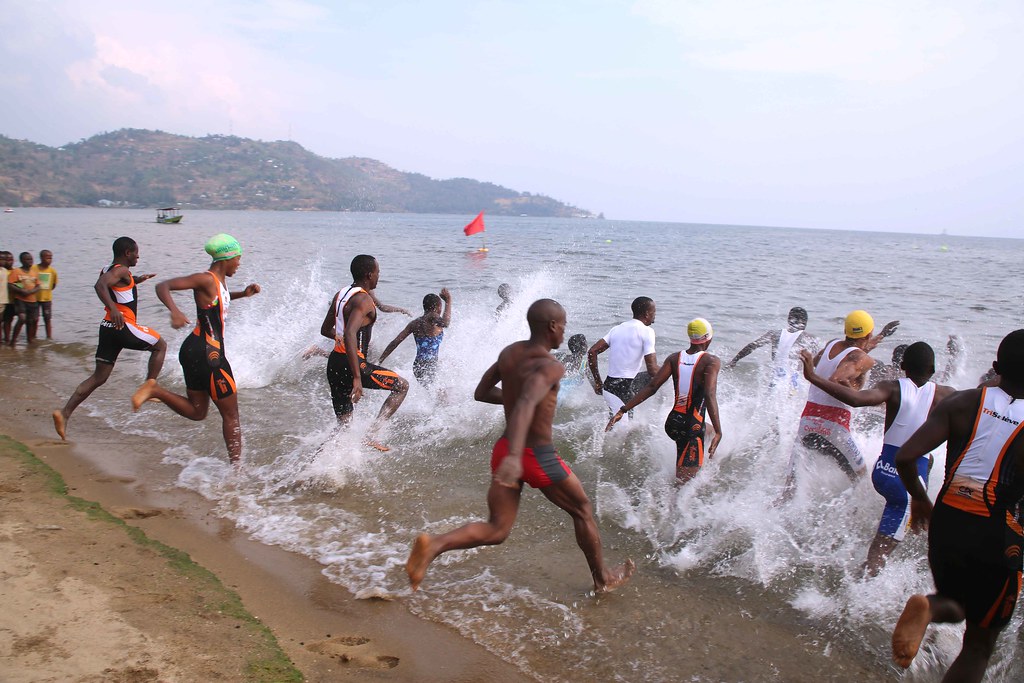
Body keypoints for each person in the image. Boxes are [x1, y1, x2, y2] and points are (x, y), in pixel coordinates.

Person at [405, 299, 635, 593]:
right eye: (563, 326)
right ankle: (602, 579)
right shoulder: (550, 366)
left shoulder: (510, 353)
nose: (564, 333)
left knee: (497, 529)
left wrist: (512, 428)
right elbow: (527, 400)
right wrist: (517, 453)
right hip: (532, 455)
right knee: (582, 510)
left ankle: (433, 545)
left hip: (504, 448)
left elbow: (482, 392)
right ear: (552, 326)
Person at [890, 329, 1024, 682]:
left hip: (947, 519)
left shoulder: (963, 402)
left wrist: (919, 500)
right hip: (998, 533)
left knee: (956, 601)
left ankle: (930, 607)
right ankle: (931, 608)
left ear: (996, 368)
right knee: (979, 644)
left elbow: (906, 456)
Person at [798, 342, 955, 575]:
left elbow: (855, 399)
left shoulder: (891, 388)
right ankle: (859, 595)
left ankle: (848, 544)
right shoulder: (946, 394)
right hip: (907, 484)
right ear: (933, 369)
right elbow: (978, 402)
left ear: (902, 366)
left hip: (882, 471)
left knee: (902, 518)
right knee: (878, 559)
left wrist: (812, 376)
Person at [130, 234, 260, 465]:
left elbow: (219, 302)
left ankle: (155, 390)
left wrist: (244, 294)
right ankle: (237, 473)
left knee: (198, 411)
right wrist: (175, 311)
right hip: (209, 354)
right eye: (237, 259)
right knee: (231, 415)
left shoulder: (218, 282)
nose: (239, 264)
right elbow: (164, 286)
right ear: (226, 258)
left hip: (194, 350)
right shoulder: (206, 279)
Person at [52, 237, 166, 440]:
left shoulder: (110, 268)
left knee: (99, 377)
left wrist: (137, 280)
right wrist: (114, 309)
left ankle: (64, 413)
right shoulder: (121, 270)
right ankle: (150, 386)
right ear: (127, 253)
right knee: (160, 346)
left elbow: (115, 285)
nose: (139, 256)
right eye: (136, 252)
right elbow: (100, 286)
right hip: (123, 325)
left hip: (107, 328)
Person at [785, 310, 899, 487]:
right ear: (869, 333)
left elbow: (817, 363)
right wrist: (857, 394)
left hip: (807, 421)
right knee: (861, 479)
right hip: (834, 426)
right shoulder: (864, 359)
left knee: (790, 488)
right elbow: (837, 378)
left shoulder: (832, 344)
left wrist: (882, 335)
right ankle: (851, 513)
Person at [607, 318, 723, 483]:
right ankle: (665, 504)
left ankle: (696, 462)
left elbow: (652, 387)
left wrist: (623, 410)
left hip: (673, 423)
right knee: (685, 484)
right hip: (691, 428)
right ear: (708, 338)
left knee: (707, 432)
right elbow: (709, 394)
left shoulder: (674, 358)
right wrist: (719, 430)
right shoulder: (711, 361)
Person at [320, 254, 409, 450]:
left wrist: (342, 344)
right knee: (401, 386)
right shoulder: (364, 300)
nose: (379, 276)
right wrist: (357, 378)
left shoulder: (341, 294)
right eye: (378, 272)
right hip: (353, 364)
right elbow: (351, 333)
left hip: (334, 363)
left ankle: (311, 469)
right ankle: (372, 433)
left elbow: (326, 330)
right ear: (369, 275)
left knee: (344, 429)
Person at [588, 296, 658, 418]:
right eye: (654, 311)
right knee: (623, 431)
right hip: (623, 388)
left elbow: (592, 352)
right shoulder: (647, 331)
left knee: (617, 425)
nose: (655, 314)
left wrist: (598, 382)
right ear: (647, 314)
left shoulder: (617, 329)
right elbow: (652, 370)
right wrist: (673, 370)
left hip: (610, 385)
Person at [727, 307, 816, 392]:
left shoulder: (775, 334)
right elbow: (819, 359)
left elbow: (752, 346)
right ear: (805, 322)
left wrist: (734, 360)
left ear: (789, 319)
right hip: (795, 381)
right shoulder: (808, 337)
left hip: (777, 380)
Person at [378, 288, 452, 386]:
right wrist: (448, 301)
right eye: (441, 307)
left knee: (430, 393)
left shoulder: (414, 323)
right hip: (430, 365)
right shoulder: (433, 316)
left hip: (418, 366)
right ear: (438, 307)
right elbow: (446, 323)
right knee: (437, 393)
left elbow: (395, 342)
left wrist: (380, 361)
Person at [7, 251, 40, 347]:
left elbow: (38, 286)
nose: (30, 261)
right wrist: (21, 291)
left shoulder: (34, 273)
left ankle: (30, 341)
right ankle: (13, 341)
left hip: (32, 300)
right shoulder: (17, 271)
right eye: (27, 259)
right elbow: (10, 284)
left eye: (31, 259)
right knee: (22, 318)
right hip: (20, 299)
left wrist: (32, 291)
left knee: (31, 321)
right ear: (22, 260)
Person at [35, 249, 58, 339]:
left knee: (47, 318)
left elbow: (53, 284)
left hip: (47, 299)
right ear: (41, 258)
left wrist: (47, 291)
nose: (49, 260)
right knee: (34, 319)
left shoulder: (52, 271)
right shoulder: (34, 268)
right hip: (35, 299)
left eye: (51, 258)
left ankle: (49, 338)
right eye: (47, 258)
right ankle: (33, 336)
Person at [0, 250, 11, 344]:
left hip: (3, 300)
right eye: (1, 259)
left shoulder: (5, 271)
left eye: (4, 259)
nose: (3, 261)